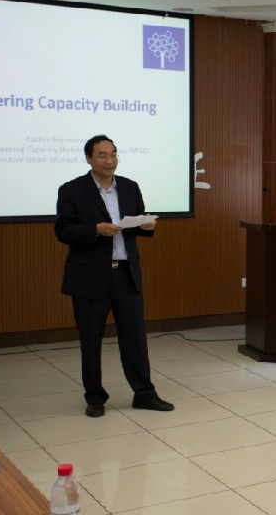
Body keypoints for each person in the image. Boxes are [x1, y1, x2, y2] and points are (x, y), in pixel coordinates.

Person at [55, 135, 174, 417]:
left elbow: (138, 218)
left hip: (125, 274)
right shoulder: (72, 190)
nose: (109, 160)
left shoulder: (130, 187)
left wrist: (147, 225)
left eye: (113, 154)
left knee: (135, 337)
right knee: (91, 339)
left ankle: (144, 393)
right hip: (90, 276)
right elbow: (63, 230)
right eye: (102, 155)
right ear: (88, 158)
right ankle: (95, 398)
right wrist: (95, 229)